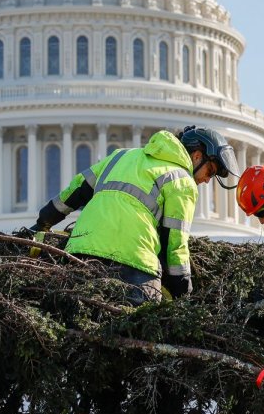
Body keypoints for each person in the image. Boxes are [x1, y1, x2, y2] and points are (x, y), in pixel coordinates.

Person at [26, 126, 238, 303]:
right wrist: (184, 293)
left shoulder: (122, 156)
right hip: (135, 268)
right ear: (197, 156)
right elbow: (175, 245)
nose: (207, 180)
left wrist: (43, 222)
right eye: (210, 171)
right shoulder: (181, 181)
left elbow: (74, 191)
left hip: (81, 255)